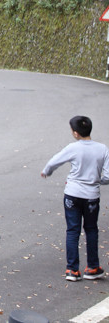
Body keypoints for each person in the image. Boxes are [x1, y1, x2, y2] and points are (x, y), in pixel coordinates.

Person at [41, 115, 109, 281]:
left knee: (73, 230)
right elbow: (108, 176)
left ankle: (72, 270)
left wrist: (46, 172)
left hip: (72, 193)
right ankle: (92, 267)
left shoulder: (73, 147)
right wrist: (97, 181)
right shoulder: (102, 149)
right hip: (91, 195)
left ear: (76, 133)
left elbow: (53, 163)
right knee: (91, 229)